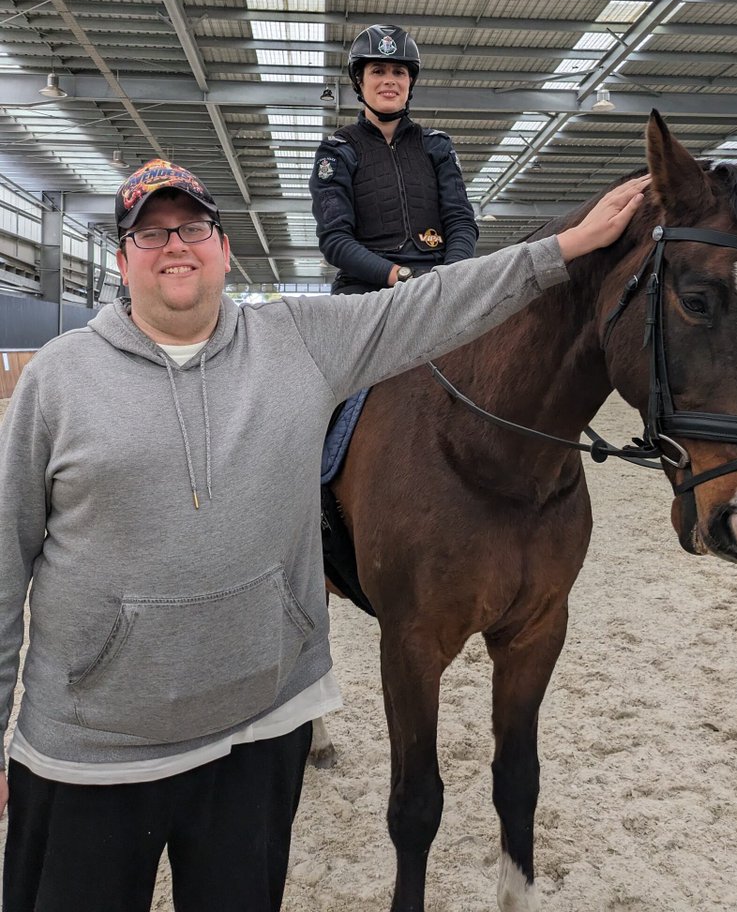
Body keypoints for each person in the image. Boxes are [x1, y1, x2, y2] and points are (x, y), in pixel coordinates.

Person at [0, 156, 649, 912]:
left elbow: (454, 276)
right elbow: (5, 560)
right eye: (151, 234)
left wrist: (566, 245)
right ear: (121, 259)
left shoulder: (303, 330)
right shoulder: (57, 377)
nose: (175, 245)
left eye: (193, 229)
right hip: (93, 751)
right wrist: (386, 270)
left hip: (256, 733)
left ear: (222, 246)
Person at [310, 24, 478, 294]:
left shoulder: (437, 145)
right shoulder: (337, 151)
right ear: (360, 81)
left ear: (409, 82)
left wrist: (451, 276)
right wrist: (401, 277)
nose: (390, 80)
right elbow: (335, 238)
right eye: (378, 71)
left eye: (399, 72)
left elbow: (460, 219)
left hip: (438, 282)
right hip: (365, 288)